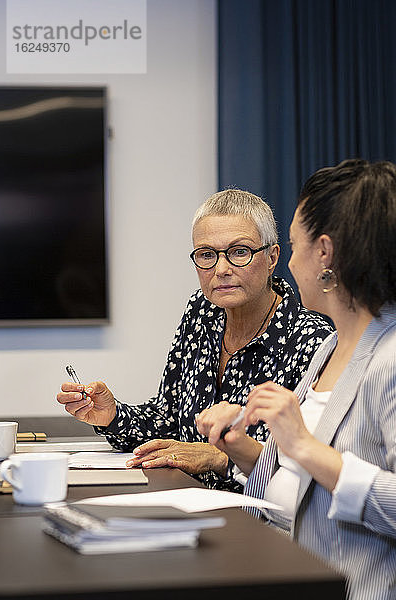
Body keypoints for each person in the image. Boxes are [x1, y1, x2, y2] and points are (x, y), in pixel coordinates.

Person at [196, 160, 396, 598]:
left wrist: (303, 442)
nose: (287, 263)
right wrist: (242, 446)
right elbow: (302, 479)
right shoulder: (331, 348)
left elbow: (321, 462)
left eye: (291, 246)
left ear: (323, 254)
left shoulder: (390, 358)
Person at [57, 189, 332, 491]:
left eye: (239, 252)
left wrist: (219, 457)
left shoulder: (312, 338)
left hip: (260, 519)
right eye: (206, 255)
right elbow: (168, 418)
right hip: (184, 499)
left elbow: (307, 469)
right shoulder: (201, 311)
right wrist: (112, 416)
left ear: (271, 257)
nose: (222, 269)